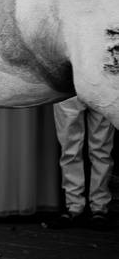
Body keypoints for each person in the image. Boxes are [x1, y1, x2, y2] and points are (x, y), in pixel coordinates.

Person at [50, 97, 115, 230]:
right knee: (72, 150)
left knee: (100, 150)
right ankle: (77, 205)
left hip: (99, 81)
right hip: (72, 84)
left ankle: (96, 207)